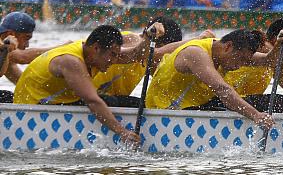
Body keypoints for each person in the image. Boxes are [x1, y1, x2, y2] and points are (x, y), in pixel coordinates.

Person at [13, 25, 169, 145]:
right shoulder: (71, 61)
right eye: (113, 55)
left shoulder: (94, 52)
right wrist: (122, 132)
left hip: (57, 101)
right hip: (30, 109)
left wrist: (148, 37)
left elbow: (135, 54)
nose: (115, 61)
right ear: (96, 48)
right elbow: (92, 101)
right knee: (107, 102)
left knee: (134, 103)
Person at [144, 29, 273, 131]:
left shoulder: (222, 48)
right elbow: (222, 89)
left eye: (246, 61)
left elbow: (267, 60)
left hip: (193, 108)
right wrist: (256, 115)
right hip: (164, 113)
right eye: (241, 59)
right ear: (228, 46)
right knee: (229, 101)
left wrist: (279, 44)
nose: (240, 65)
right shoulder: (195, 53)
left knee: (276, 101)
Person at [91, 19, 184, 107]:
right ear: (155, 43)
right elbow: (149, 53)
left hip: (107, 100)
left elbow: (163, 83)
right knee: (139, 104)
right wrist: (196, 40)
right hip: (88, 94)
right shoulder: (132, 39)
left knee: (149, 104)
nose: (162, 60)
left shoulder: (149, 61)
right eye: (165, 55)